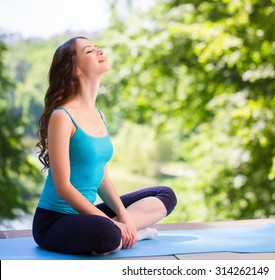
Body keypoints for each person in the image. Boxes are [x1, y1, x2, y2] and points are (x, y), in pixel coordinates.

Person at [33, 36, 177, 255]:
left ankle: (126, 230)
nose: (99, 52)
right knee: (105, 234)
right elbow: (63, 188)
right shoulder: (62, 117)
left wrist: (124, 216)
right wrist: (111, 223)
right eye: (89, 51)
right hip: (54, 222)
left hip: (87, 217)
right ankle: (130, 233)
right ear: (75, 70)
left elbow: (102, 178)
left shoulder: (99, 115)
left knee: (164, 194)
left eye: (97, 48)